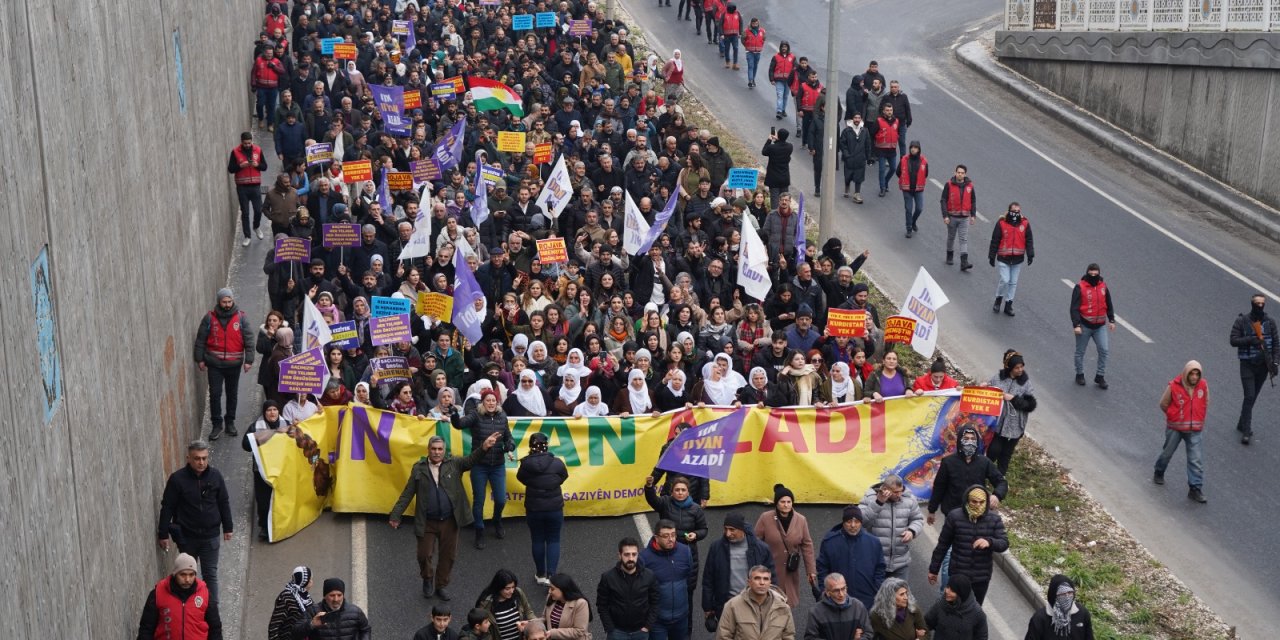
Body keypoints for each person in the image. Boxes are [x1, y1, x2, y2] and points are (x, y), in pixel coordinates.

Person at [389, 431, 503, 602]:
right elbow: (407, 493)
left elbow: (471, 460)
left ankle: (441, 585)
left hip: (450, 521)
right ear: (428, 449)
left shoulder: (454, 464)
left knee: (448, 556)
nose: (436, 452)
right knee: (423, 554)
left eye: (440, 449)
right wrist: (396, 514)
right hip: (427, 521)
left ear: (444, 450)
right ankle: (427, 578)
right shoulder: (418, 468)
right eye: (433, 449)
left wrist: (484, 447)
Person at [156, 440, 233, 603]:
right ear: (188, 458)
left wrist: (228, 527)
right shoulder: (177, 479)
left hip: (210, 536)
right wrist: (163, 533)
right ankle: (189, 606)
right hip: (187, 537)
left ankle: (211, 610)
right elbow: (167, 506)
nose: (201, 462)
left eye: (204, 458)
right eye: (197, 458)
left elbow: (223, 502)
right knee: (186, 575)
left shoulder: (216, 476)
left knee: (210, 574)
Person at [452, 388, 517, 549]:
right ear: (483, 402)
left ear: (497, 402)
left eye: (493, 401)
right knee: (479, 501)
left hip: (498, 466)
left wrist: (509, 445)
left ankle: (497, 520)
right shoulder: (476, 415)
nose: (491, 403)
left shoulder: (502, 416)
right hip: (479, 465)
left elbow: (509, 437)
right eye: (487, 400)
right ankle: (479, 530)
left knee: (501, 499)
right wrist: (454, 414)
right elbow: (459, 425)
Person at [928, 485, 1008, 605]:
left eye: (982, 502)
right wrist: (933, 569)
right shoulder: (954, 517)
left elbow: (1004, 543)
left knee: (974, 610)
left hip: (980, 578)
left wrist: (989, 542)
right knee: (952, 608)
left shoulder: (994, 519)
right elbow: (943, 545)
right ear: (967, 500)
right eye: (974, 501)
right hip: (958, 575)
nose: (978, 505)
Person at [193, 287, 254, 441]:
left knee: (232, 394)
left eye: (229, 301)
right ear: (219, 302)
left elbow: (249, 339)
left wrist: (249, 361)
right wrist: (199, 359)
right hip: (215, 364)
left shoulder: (241, 318)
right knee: (215, 394)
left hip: (234, 364)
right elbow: (200, 340)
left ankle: (230, 422)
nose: (227, 304)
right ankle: (217, 424)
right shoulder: (209, 318)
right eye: (224, 301)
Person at [703, 512, 775, 624]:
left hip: (753, 604)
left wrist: (773, 603)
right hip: (726, 605)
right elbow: (708, 579)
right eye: (725, 529)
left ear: (742, 530)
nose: (728, 533)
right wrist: (707, 606)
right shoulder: (716, 547)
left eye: (732, 530)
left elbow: (772, 577)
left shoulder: (761, 549)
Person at [518, 432, 570, 584]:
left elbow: (521, 478)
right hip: (554, 508)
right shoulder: (557, 463)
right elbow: (563, 476)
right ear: (546, 445)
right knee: (554, 540)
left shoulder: (525, 464)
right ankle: (551, 576)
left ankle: (540, 574)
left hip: (534, 508)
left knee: (537, 539)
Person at [753, 483, 816, 607]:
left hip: (790, 571)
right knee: (768, 604)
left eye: (789, 501)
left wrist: (811, 571)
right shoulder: (765, 518)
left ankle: (784, 625)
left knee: (787, 603)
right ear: (776, 503)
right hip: (769, 570)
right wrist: (755, 567)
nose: (786, 505)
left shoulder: (801, 520)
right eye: (782, 502)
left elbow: (807, 545)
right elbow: (755, 543)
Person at [1155, 360, 1210, 503]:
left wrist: (1198, 418)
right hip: (1175, 428)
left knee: (1195, 460)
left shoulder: (1203, 386)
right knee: (1167, 453)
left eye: (1197, 374)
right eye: (1192, 373)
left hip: (1194, 429)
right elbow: (1163, 404)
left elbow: (1206, 402)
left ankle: (1195, 488)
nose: (1194, 377)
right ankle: (1159, 471)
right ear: (1186, 373)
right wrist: (1174, 416)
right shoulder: (1174, 386)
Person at [136, 553, 223, 640]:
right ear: (175, 574)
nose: (187, 579)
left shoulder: (205, 594)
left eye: (191, 575)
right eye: (183, 575)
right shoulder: (158, 593)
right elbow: (146, 628)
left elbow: (215, 628)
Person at [1229, 293, 1278, 445]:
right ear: (1252, 304)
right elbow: (1233, 340)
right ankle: (1246, 431)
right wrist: (1251, 340)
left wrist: (1275, 363)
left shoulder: (1270, 323)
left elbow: (1276, 344)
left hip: (1263, 366)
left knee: (1253, 396)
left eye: (1262, 303)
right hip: (1247, 364)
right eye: (1257, 303)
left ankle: (1241, 422)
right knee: (1249, 396)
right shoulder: (1242, 321)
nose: (1260, 305)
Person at [816, 506, 884, 611]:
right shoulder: (830, 542)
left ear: (861, 523)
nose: (853, 525)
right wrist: (824, 590)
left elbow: (880, 568)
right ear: (843, 522)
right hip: (837, 600)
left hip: (867, 599)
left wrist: (876, 588)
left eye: (856, 522)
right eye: (849, 521)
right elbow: (822, 568)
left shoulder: (873, 542)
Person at [858, 474, 924, 579]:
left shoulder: (910, 499)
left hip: (901, 562)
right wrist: (878, 502)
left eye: (901, 490)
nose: (899, 494)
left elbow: (918, 519)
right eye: (895, 492)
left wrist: (912, 531)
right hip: (875, 561)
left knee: (899, 594)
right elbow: (862, 522)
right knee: (877, 594)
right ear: (885, 489)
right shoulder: (870, 498)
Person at [639, 519, 696, 640]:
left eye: (673, 535)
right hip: (656, 621)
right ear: (656, 537)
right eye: (666, 536)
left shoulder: (685, 551)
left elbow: (690, 577)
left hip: (681, 618)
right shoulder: (644, 558)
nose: (671, 539)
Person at [597, 537, 660, 640]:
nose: (631, 558)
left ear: (637, 555)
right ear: (619, 555)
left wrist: (648, 626)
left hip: (641, 631)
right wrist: (610, 628)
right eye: (626, 554)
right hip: (617, 632)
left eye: (634, 554)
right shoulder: (607, 577)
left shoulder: (649, 576)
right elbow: (601, 604)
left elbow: (655, 602)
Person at [987, 350, 1036, 474]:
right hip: (998, 425)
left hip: (1014, 428)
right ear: (1009, 368)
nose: (1020, 370)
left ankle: (999, 482)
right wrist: (984, 386)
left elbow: (1030, 405)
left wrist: (1013, 399)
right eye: (1017, 368)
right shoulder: (998, 378)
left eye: (1022, 366)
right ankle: (984, 474)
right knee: (993, 451)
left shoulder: (1025, 383)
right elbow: (988, 391)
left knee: (1005, 456)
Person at [715, 565, 794, 640]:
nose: (762, 582)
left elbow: (788, 636)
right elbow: (723, 636)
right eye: (757, 578)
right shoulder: (733, 605)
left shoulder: (783, 607)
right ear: (749, 582)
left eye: (766, 579)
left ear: (770, 582)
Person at [1070, 263, 1116, 389]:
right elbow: (1074, 308)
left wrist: (1111, 320)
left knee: (1104, 350)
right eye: (1091, 274)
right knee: (1080, 352)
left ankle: (1099, 376)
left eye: (1096, 274)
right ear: (1087, 273)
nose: (1093, 276)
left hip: (1100, 326)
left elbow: (1109, 303)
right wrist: (1076, 325)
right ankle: (1079, 374)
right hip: (1084, 326)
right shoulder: (1080, 287)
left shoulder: (1103, 287)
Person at [988, 202, 1034, 317]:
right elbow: (995, 240)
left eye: (1018, 211)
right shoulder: (1001, 224)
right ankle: (998, 300)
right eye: (1014, 211)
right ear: (1009, 211)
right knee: (1005, 279)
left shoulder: (1025, 224)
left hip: (1018, 259)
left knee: (1013, 283)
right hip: (1004, 257)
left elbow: (1029, 240)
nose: (1016, 213)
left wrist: (1030, 254)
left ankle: (1008, 305)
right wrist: (991, 256)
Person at [228, 131, 269, 246]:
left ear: (252, 141)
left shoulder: (258, 150)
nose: (247, 145)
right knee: (245, 212)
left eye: (249, 143)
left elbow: (264, 167)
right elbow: (231, 169)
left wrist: (257, 165)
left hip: (255, 185)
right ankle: (247, 236)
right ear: (241, 142)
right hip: (242, 187)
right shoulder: (235, 152)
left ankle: (256, 227)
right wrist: (240, 166)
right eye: (245, 143)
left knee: (258, 209)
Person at [295, 578, 371, 639]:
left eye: (339, 595)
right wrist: (312, 624)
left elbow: (365, 629)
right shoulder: (313, 611)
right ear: (324, 596)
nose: (336, 599)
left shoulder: (355, 612)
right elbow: (296, 633)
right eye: (332, 595)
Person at [803, 573, 871, 640]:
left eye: (843, 588)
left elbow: (869, 633)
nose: (841, 594)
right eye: (836, 590)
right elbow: (810, 638)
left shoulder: (858, 607)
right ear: (827, 592)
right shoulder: (816, 612)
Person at [1024, 575, 1094, 640]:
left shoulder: (1082, 614)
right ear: (1053, 596)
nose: (1067, 597)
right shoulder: (1040, 619)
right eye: (1062, 594)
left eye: (1070, 592)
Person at [476, 570, 538, 640]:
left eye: (513, 587)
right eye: (507, 588)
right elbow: (482, 629)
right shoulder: (486, 603)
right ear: (499, 587)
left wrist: (534, 624)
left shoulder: (518, 593)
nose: (512, 591)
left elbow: (528, 611)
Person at [923, 575, 986, 640]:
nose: (947, 591)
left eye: (952, 590)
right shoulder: (941, 604)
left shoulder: (977, 613)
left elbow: (982, 636)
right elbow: (926, 623)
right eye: (947, 587)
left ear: (961, 593)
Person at [939, 165, 976, 268]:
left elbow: (973, 201)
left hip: (964, 217)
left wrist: (973, 215)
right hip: (952, 217)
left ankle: (964, 262)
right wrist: (945, 216)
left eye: (962, 173)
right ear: (955, 173)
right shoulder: (949, 185)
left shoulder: (970, 186)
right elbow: (943, 201)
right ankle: (949, 256)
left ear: (965, 174)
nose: (960, 174)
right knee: (951, 237)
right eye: (958, 172)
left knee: (963, 239)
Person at [270, 566, 317, 640]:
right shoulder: (286, 597)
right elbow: (275, 624)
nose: (312, 581)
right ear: (305, 581)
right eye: (310, 579)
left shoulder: (305, 596)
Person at [543, 573, 592, 640]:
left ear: (563, 589)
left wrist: (553, 633)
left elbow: (579, 631)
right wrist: (531, 623)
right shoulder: (551, 597)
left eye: (552, 589)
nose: (549, 591)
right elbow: (545, 618)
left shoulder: (581, 603)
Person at [894, 141, 927, 238]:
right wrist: (904, 180)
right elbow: (898, 172)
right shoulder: (904, 159)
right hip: (907, 189)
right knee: (908, 209)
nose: (913, 149)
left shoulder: (924, 161)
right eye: (912, 147)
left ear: (919, 149)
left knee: (919, 208)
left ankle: (913, 222)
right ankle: (909, 229)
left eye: (916, 147)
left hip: (918, 189)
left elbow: (926, 173)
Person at [838, 112, 871, 203]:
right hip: (850, 158)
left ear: (861, 119)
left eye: (858, 118)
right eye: (855, 118)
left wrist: (868, 157)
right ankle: (847, 186)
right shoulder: (846, 131)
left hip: (860, 159)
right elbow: (842, 144)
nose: (857, 120)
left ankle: (857, 194)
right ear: (852, 119)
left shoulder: (865, 131)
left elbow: (868, 144)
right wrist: (846, 154)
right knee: (848, 176)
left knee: (858, 177)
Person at [762, 129, 793, 208]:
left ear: (778, 136)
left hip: (774, 179)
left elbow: (764, 152)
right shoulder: (789, 147)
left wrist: (770, 139)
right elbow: (781, 147)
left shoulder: (772, 148)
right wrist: (777, 140)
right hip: (784, 178)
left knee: (775, 203)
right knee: (785, 201)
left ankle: (775, 218)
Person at [769, 42, 797, 119]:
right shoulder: (775, 57)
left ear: (788, 48)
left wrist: (795, 81)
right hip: (779, 80)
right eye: (782, 47)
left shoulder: (792, 57)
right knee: (780, 95)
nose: (784, 48)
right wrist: (771, 79)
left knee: (785, 96)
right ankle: (779, 111)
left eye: (785, 47)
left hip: (788, 81)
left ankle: (783, 110)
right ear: (780, 48)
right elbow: (771, 69)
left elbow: (796, 70)